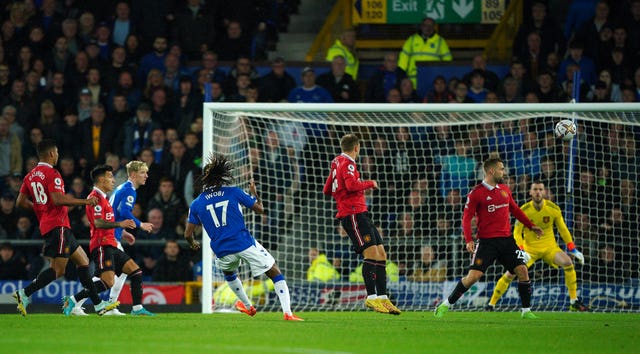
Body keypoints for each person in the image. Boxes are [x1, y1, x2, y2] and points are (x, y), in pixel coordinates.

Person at [184, 153, 303, 321]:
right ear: (222, 177)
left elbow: (187, 234)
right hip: (243, 243)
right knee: (274, 271)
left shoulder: (196, 203)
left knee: (229, 273)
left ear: (205, 178)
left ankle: (248, 307)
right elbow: (260, 210)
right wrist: (255, 194)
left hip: (221, 250)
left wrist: (193, 243)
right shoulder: (233, 192)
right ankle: (288, 313)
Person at [13, 139, 119, 316]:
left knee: (83, 262)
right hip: (58, 225)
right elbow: (58, 199)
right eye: (57, 153)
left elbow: (20, 202)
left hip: (53, 225)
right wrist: (84, 201)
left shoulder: (30, 176)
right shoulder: (52, 174)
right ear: (52, 154)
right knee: (58, 269)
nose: (58, 156)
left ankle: (99, 305)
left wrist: (41, 209)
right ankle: (24, 293)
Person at [434, 157, 543, 319]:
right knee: (473, 277)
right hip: (487, 242)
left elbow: (515, 210)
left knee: (522, 270)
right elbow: (466, 218)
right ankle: (446, 304)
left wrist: (530, 225)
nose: (504, 172)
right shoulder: (476, 193)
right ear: (491, 171)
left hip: (507, 241)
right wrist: (468, 240)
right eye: (501, 169)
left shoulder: (505, 189)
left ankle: (526, 311)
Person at [323, 134, 401, 315]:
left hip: (360, 213)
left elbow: (327, 189)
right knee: (371, 253)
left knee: (381, 253)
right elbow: (351, 186)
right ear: (357, 147)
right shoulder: (348, 163)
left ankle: (383, 297)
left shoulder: (336, 162)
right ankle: (371, 297)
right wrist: (370, 183)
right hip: (353, 214)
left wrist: (340, 195)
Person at [62, 165, 155, 317]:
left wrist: (122, 231)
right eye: (110, 176)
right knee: (107, 281)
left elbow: (110, 218)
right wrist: (125, 225)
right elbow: (99, 223)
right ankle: (73, 300)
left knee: (135, 271)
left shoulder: (105, 197)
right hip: (102, 244)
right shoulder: (96, 198)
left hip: (111, 241)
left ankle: (137, 309)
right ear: (101, 179)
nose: (113, 180)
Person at [486, 181, 589, 312]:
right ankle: (491, 304)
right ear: (530, 192)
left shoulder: (553, 209)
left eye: (540, 189)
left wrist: (572, 248)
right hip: (530, 250)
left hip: (550, 248)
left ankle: (573, 301)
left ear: (544, 192)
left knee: (568, 262)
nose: (538, 192)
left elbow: (563, 229)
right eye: (535, 189)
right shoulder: (524, 210)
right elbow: (517, 232)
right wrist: (521, 250)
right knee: (511, 273)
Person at [398, 17, 452, 88]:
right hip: (413, 81)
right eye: (425, 25)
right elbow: (404, 57)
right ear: (421, 26)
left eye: (430, 26)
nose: (428, 28)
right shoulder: (412, 39)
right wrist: (401, 73)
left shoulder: (440, 41)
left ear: (434, 27)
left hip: (433, 80)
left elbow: (447, 61)